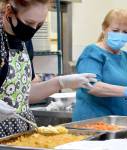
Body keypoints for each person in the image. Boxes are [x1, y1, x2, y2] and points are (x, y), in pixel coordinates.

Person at [0, 0, 96, 137]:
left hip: (22, 132)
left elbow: (24, 95)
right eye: (29, 23)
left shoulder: (25, 41)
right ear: (9, 11)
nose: (33, 29)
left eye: (39, 24)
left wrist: (60, 82)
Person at [72, 9, 127, 121]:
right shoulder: (93, 53)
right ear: (104, 29)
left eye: (125, 32)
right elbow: (90, 86)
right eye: (115, 30)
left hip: (121, 125)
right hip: (92, 125)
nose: (120, 35)